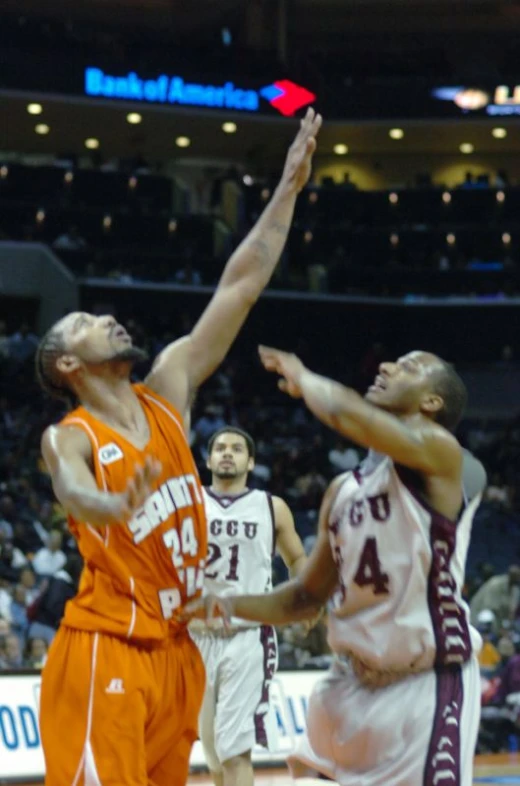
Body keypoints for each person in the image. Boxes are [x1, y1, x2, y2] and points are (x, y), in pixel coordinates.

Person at [35, 108, 322, 786]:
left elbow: (240, 285)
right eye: (85, 322)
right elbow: (71, 489)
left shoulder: (167, 389)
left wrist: (287, 187)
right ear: (68, 366)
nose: (106, 317)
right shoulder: (70, 435)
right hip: (108, 646)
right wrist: (104, 505)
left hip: (179, 649)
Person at [186, 347, 485, 786]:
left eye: (408, 368)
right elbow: (304, 598)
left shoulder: (444, 457)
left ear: (431, 403)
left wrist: (305, 378)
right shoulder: (342, 490)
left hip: (423, 686)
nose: (385, 366)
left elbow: (351, 417)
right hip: (347, 684)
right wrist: (223, 605)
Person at [191, 426, 307, 786]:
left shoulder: (272, 507)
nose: (227, 453)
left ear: (251, 461)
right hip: (192, 637)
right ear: (208, 459)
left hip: (247, 637)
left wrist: (304, 601)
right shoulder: (187, 502)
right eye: (220, 448)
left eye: (237, 449)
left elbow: (298, 558)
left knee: (235, 750)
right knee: (210, 747)